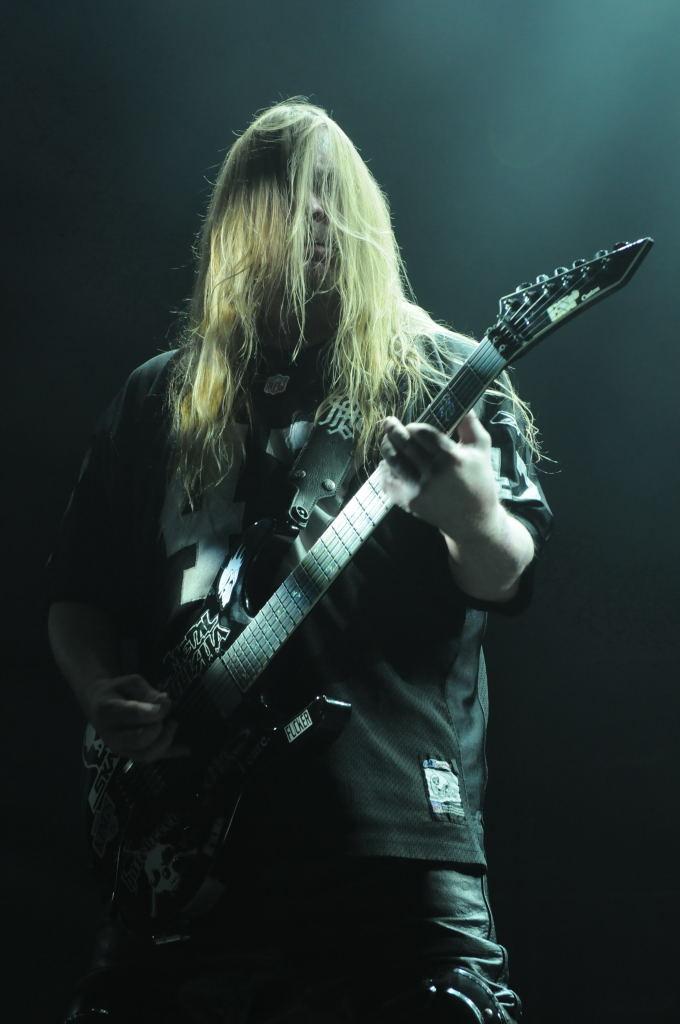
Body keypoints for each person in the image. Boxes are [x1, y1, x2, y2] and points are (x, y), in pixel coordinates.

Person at [47, 99, 552, 1023]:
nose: (311, 213)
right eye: (283, 192)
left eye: (328, 192)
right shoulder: (160, 394)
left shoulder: (441, 373)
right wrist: (100, 694)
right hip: (181, 863)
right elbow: (79, 596)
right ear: (236, 218)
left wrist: (471, 514)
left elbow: (508, 572)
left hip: (388, 856)